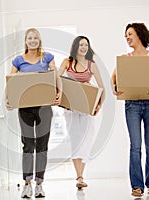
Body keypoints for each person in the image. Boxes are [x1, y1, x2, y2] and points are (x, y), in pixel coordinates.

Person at [110, 22, 149, 197]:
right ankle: (136, 186)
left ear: (139, 34)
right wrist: (114, 87)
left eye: (129, 34)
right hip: (132, 105)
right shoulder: (126, 58)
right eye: (125, 35)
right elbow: (113, 78)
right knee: (135, 147)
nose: (127, 38)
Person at [5, 28, 61, 198]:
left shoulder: (47, 58)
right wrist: (9, 99)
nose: (33, 41)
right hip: (25, 109)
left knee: (42, 146)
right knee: (28, 146)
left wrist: (59, 92)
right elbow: (10, 82)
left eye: (35, 38)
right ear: (26, 41)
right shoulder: (18, 61)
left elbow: (55, 75)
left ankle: (39, 184)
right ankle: (27, 184)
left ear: (39, 40)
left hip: (44, 107)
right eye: (30, 38)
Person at [59, 36, 105, 189]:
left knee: (86, 140)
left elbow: (101, 88)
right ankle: (78, 176)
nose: (83, 47)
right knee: (75, 139)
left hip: (86, 107)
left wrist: (98, 105)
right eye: (81, 45)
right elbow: (57, 80)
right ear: (75, 47)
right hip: (71, 108)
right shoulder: (67, 62)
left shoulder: (92, 65)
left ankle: (81, 176)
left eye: (86, 45)